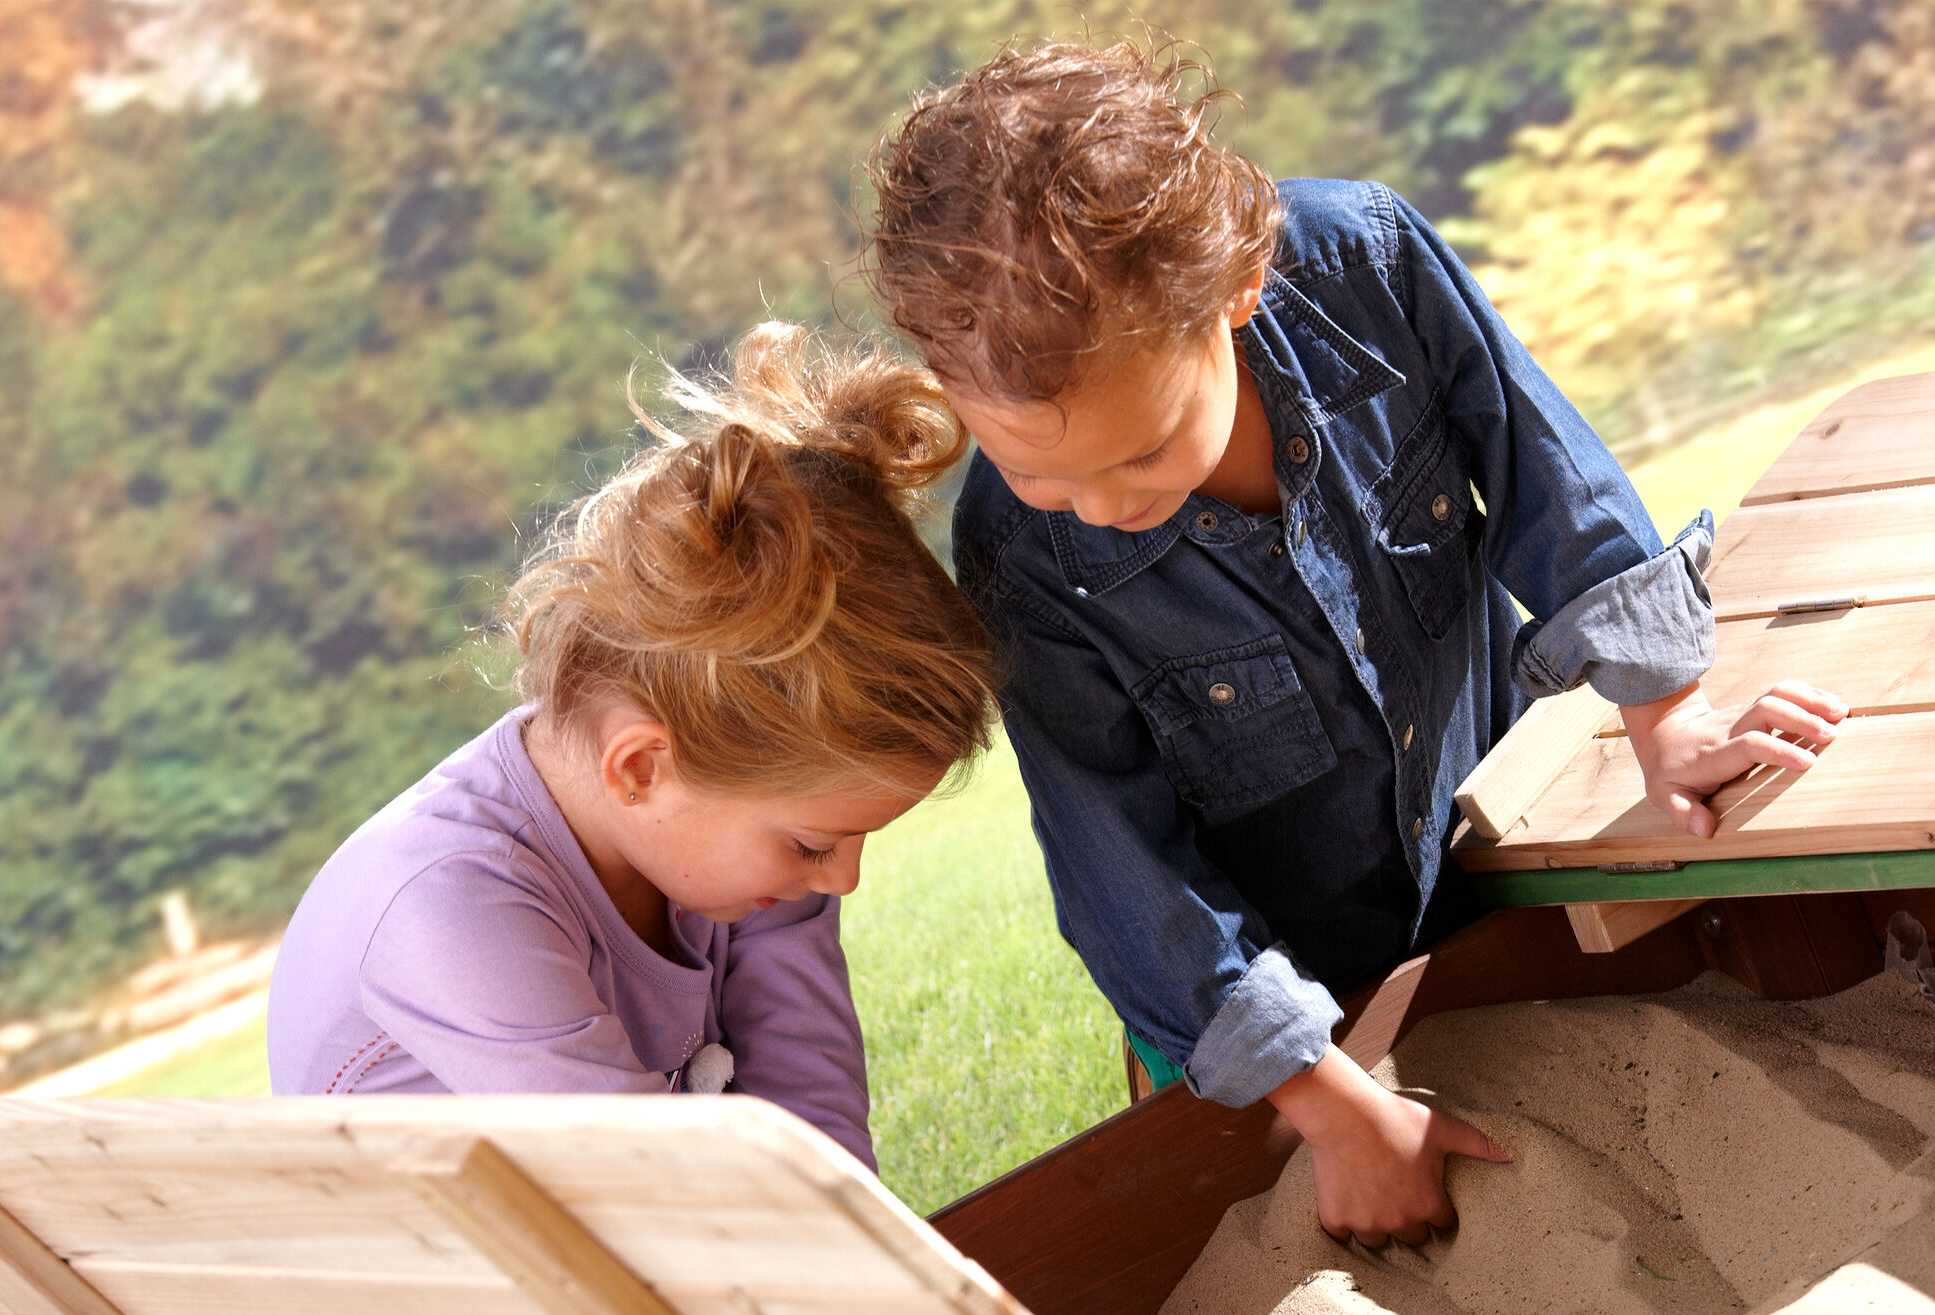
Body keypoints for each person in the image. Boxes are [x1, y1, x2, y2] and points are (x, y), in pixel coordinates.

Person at [864, 37, 1848, 1250]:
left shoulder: (1366, 265)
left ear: (1236, 285)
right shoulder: (1022, 555)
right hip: (1288, 1011)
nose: (1101, 503)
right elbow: (1123, 869)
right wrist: (1332, 1113)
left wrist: (1668, 719)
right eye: (1031, 468)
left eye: (1139, 451)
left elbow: (1546, 476)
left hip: (1488, 861)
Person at [267, 324, 996, 1173]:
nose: (841, 879)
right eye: (813, 844)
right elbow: (660, 1195)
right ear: (641, 767)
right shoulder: (450, 907)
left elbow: (814, 1124)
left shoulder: (711, 833)